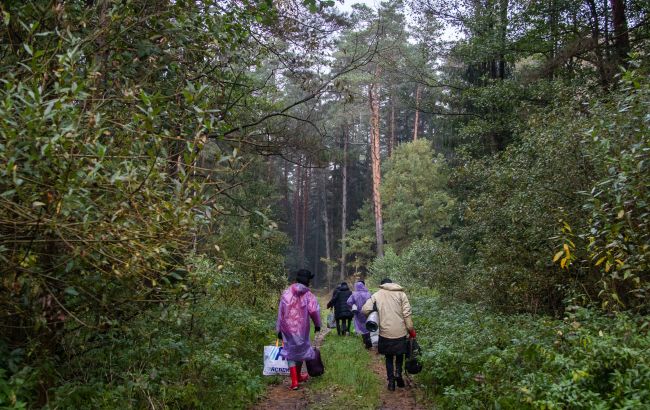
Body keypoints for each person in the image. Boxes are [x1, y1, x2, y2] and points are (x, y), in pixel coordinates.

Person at [361, 278, 416, 391]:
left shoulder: (377, 295)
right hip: (400, 332)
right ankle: (398, 374)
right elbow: (407, 314)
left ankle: (391, 382)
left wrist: (374, 314)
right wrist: (410, 329)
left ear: (382, 285)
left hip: (385, 332)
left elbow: (365, 309)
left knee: (389, 357)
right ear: (392, 284)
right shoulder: (401, 294)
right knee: (400, 355)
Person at [276, 269, 321, 390]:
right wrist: (317, 324)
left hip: (287, 328)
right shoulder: (309, 295)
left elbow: (281, 312)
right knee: (301, 350)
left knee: (290, 353)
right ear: (308, 281)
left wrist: (279, 329)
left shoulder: (286, 293)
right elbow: (314, 311)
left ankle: (295, 381)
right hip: (302, 329)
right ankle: (297, 378)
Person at [346, 281, 372, 348]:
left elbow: (348, 302)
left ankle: (365, 341)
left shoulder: (354, 294)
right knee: (368, 326)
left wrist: (352, 308)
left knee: (361, 327)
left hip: (358, 313)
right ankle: (369, 340)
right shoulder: (368, 294)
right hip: (367, 312)